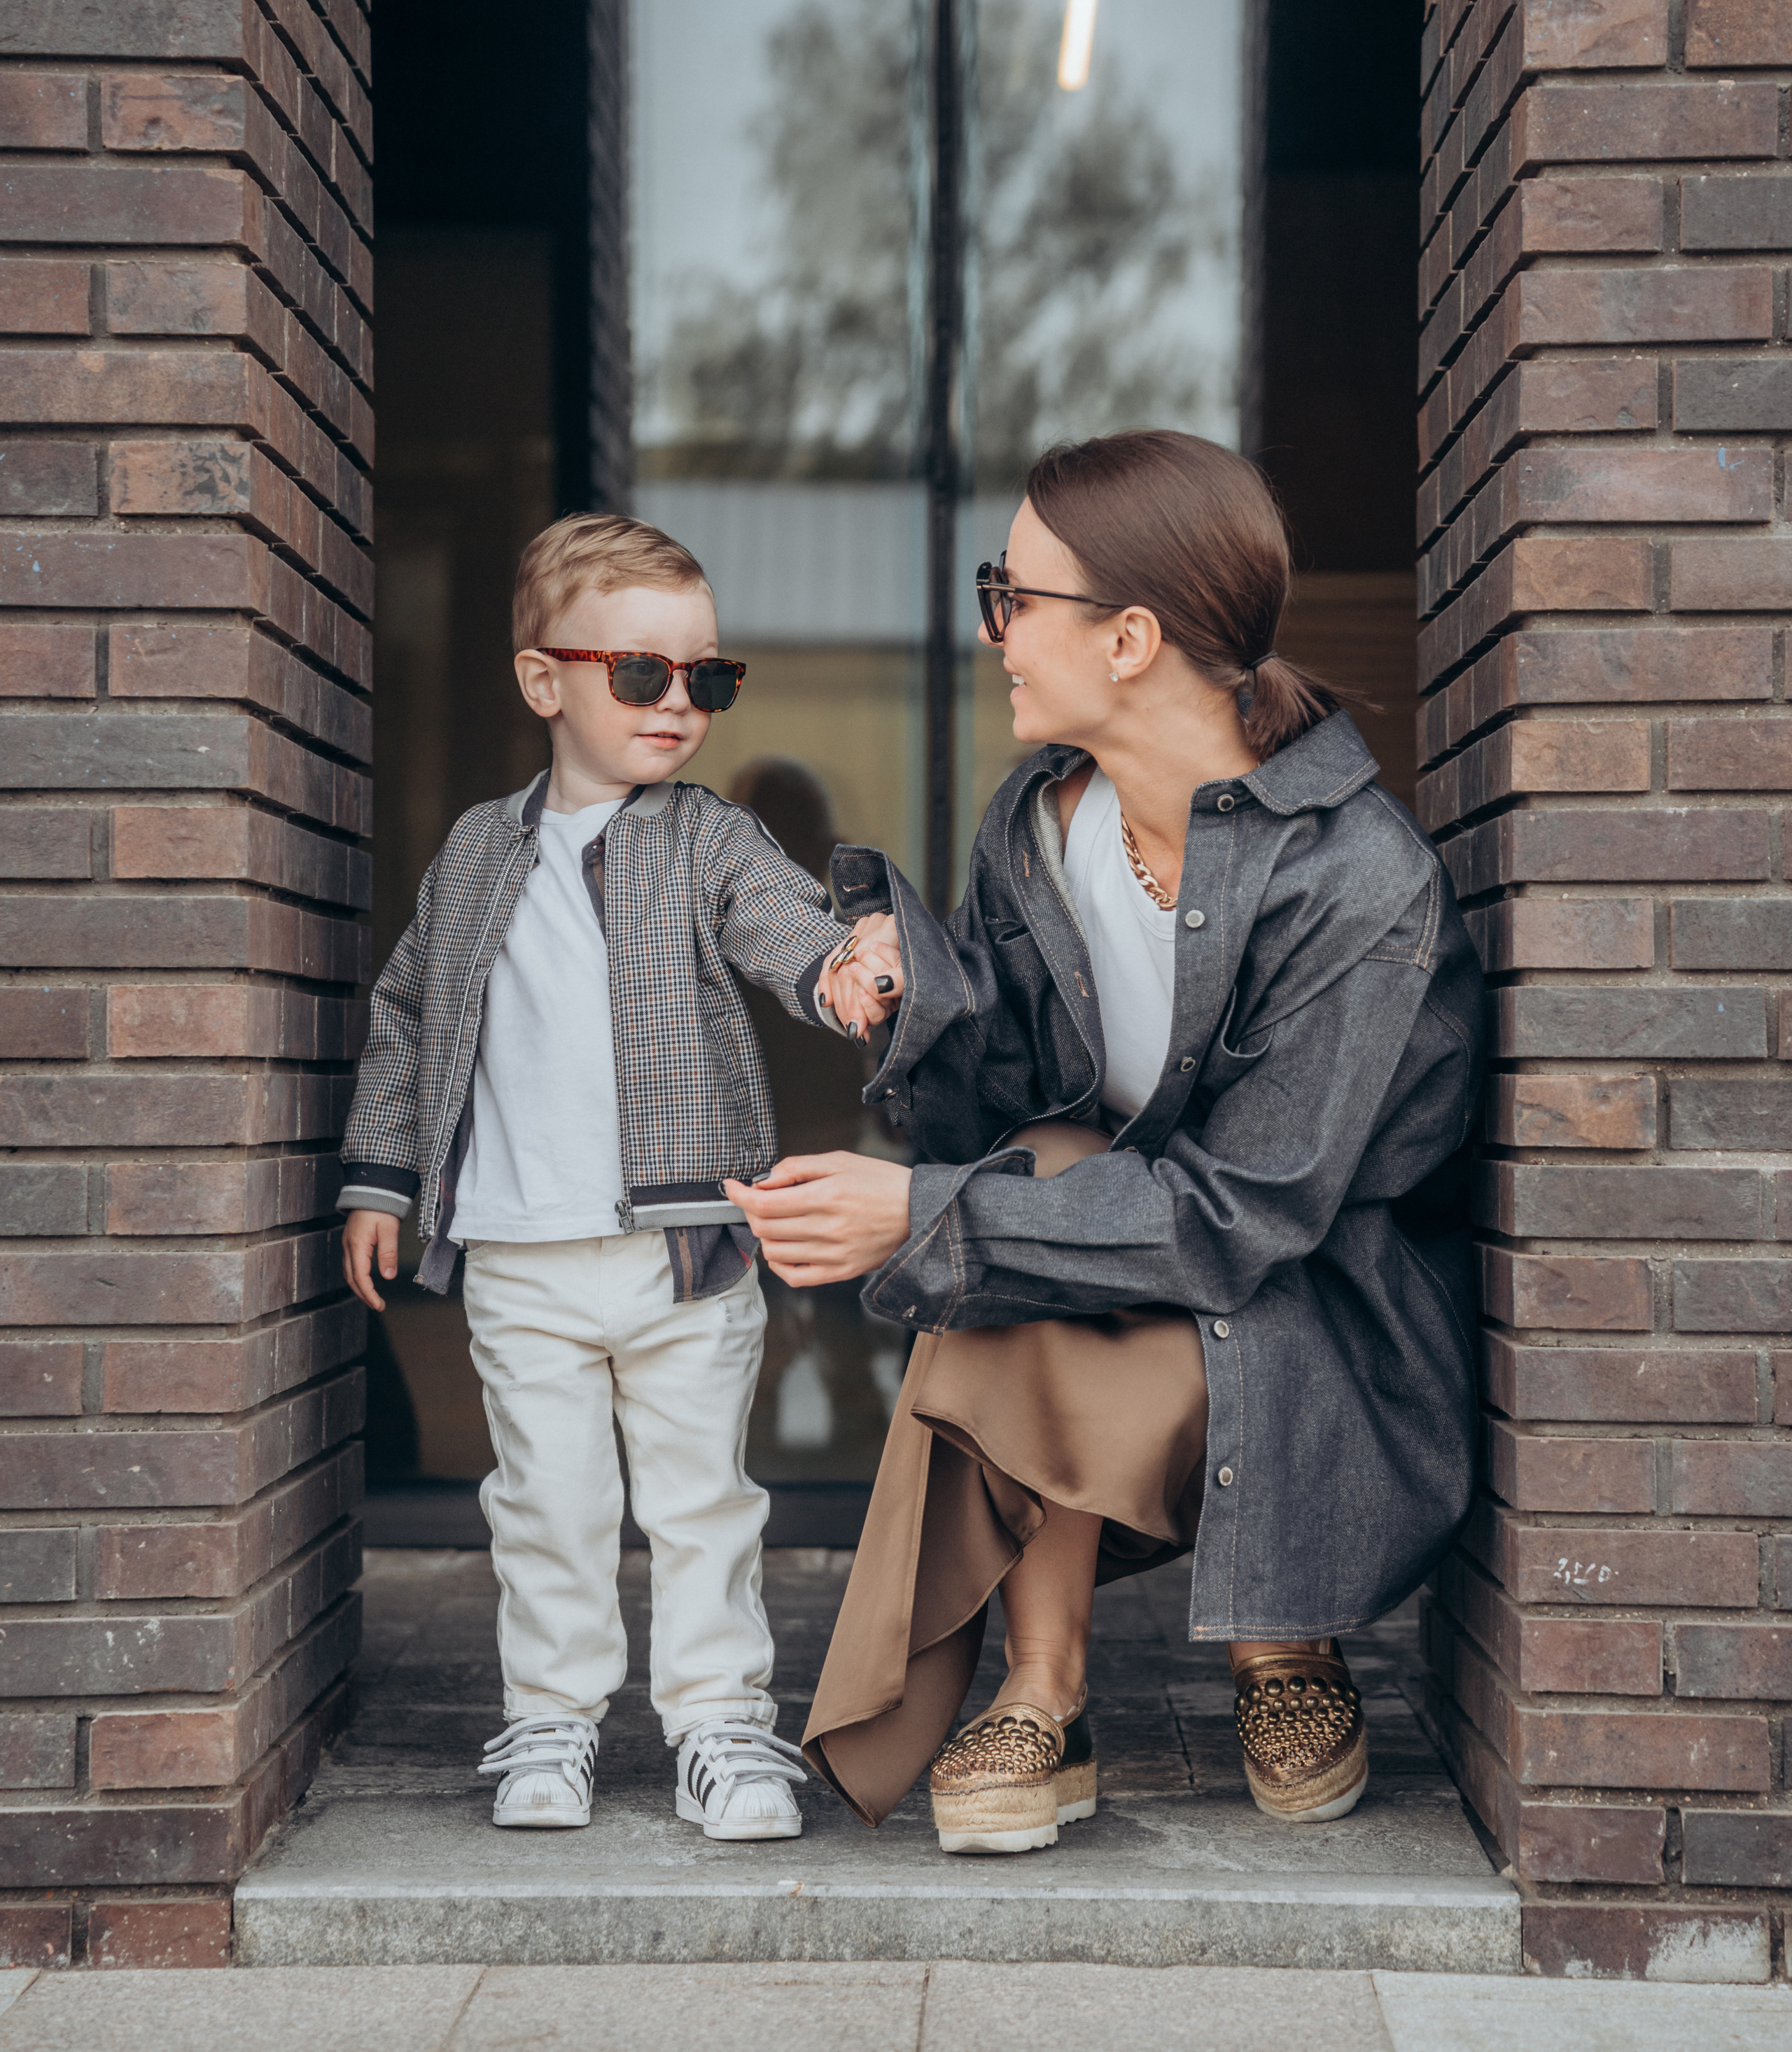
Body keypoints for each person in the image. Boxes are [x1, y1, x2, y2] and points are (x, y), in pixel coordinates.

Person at [729, 430, 1484, 1852]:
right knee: (1027, 1180)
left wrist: (920, 1215)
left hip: (1320, 1316)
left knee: (987, 1219)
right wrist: (908, 992)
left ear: (1130, 636)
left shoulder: (1355, 877)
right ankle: (1045, 1682)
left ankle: (1281, 1631)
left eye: (1011, 593)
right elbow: (1005, 1107)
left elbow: (1248, 1212)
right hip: (1124, 1287)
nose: (989, 628)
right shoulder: (1035, 824)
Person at [335, 515, 902, 1838]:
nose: (680, 705)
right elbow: (412, 1012)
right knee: (547, 1499)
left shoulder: (707, 838)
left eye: (709, 678)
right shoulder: (479, 849)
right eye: (641, 675)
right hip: (519, 1252)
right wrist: (382, 1176)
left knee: (704, 1496)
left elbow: (782, 928)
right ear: (547, 682)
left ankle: (719, 1726)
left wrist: (847, 969)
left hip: (684, 1246)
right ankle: (552, 1718)